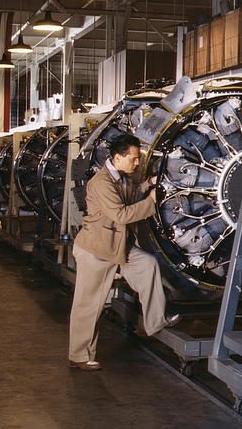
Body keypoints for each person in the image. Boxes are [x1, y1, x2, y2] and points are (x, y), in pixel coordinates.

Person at [68, 133, 179, 371]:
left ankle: (155, 322)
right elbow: (121, 214)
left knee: (147, 265)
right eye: (134, 159)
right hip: (97, 249)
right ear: (118, 157)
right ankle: (78, 355)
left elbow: (130, 194)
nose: (137, 163)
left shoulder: (120, 177)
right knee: (89, 304)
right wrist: (150, 200)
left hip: (119, 245)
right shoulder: (101, 183)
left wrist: (147, 184)